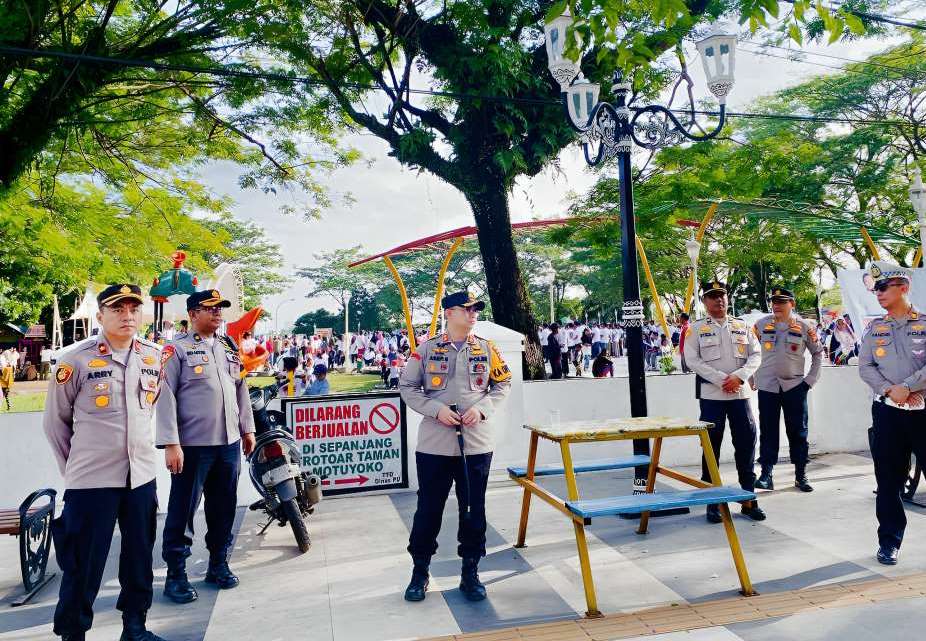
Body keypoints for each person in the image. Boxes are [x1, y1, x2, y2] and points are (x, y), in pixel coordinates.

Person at [43, 284, 168, 641]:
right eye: (118, 309)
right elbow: (55, 423)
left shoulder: (152, 356)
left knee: (139, 555)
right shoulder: (74, 360)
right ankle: (73, 633)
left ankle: (135, 626)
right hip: (92, 480)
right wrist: (77, 468)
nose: (127, 315)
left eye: (133, 309)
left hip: (141, 475)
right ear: (100, 316)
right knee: (83, 562)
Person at [399, 291, 512, 603]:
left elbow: (502, 384)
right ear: (449, 313)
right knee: (428, 510)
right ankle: (419, 571)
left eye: (476, 308)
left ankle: (470, 571)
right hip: (435, 445)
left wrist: (483, 408)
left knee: (474, 508)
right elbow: (406, 386)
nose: (473, 313)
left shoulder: (488, 349)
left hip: (476, 445)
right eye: (467, 308)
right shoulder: (426, 349)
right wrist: (436, 410)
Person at [156, 289, 256, 604]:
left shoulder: (227, 347)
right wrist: (171, 443)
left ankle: (218, 564)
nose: (217, 314)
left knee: (223, 506)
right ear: (193, 314)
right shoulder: (176, 349)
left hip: (228, 443)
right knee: (183, 510)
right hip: (192, 446)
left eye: (219, 309)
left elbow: (241, 388)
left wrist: (248, 428)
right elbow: (165, 396)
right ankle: (176, 575)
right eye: (210, 309)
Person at [858, 261, 926, 566]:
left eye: (883, 287)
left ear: (904, 288)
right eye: (875, 289)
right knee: (888, 481)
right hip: (887, 413)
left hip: (923, 410)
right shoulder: (874, 328)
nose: (878, 293)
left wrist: (909, 387)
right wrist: (890, 390)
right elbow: (865, 367)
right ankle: (889, 542)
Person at [684, 281, 766, 524]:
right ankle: (712, 503)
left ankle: (749, 500)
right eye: (712, 297)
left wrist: (738, 377)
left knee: (746, 446)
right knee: (711, 448)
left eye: (722, 295)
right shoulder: (696, 329)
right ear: (704, 302)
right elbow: (692, 360)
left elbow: (756, 354)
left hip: (740, 396)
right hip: (712, 397)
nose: (718, 300)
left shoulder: (743, 326)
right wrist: (723, 380)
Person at [753, 287, 824, 493]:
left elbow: (818, 353)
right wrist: (751, 376)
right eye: (774, 301)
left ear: (792, 304)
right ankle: (766, 474)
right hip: (767, 386)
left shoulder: (805, 326)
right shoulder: (760, 325)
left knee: (798, 431)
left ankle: (800, 474)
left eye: (781, 301)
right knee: (768, 430)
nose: (776, 305)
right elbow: (750, 351)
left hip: (795, 386)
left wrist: (809, 381)